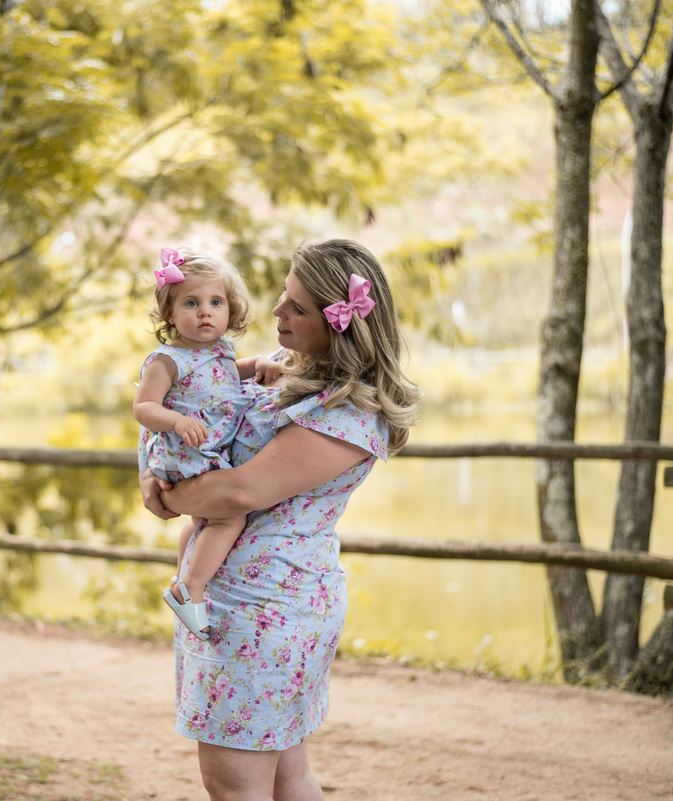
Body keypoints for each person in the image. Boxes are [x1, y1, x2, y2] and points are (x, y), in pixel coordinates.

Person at [139, 238, 420, 801]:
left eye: (296, 307)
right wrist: (153, 470)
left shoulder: (347, 414)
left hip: (264, 611)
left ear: (339, 325)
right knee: (288, 777)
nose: (275, 313)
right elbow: (190, 413)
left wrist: (169, 499)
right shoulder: (284, 374)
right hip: (246, 603)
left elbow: (241, 489)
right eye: (282, 298)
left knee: (233, 785)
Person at [133, 247, 277, 641]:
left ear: (230, 310)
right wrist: (177, 421)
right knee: (229, 517)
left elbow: (232, 374)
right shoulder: (167, 360)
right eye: (191, 303)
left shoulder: (222, 352)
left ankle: (184, 580)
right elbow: (143, 407)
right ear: (169, 312)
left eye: (216, 303)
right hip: (185, 452)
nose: (205, 312)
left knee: (202, 522)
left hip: (205, 450)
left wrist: (258, 364)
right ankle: (192, 587)